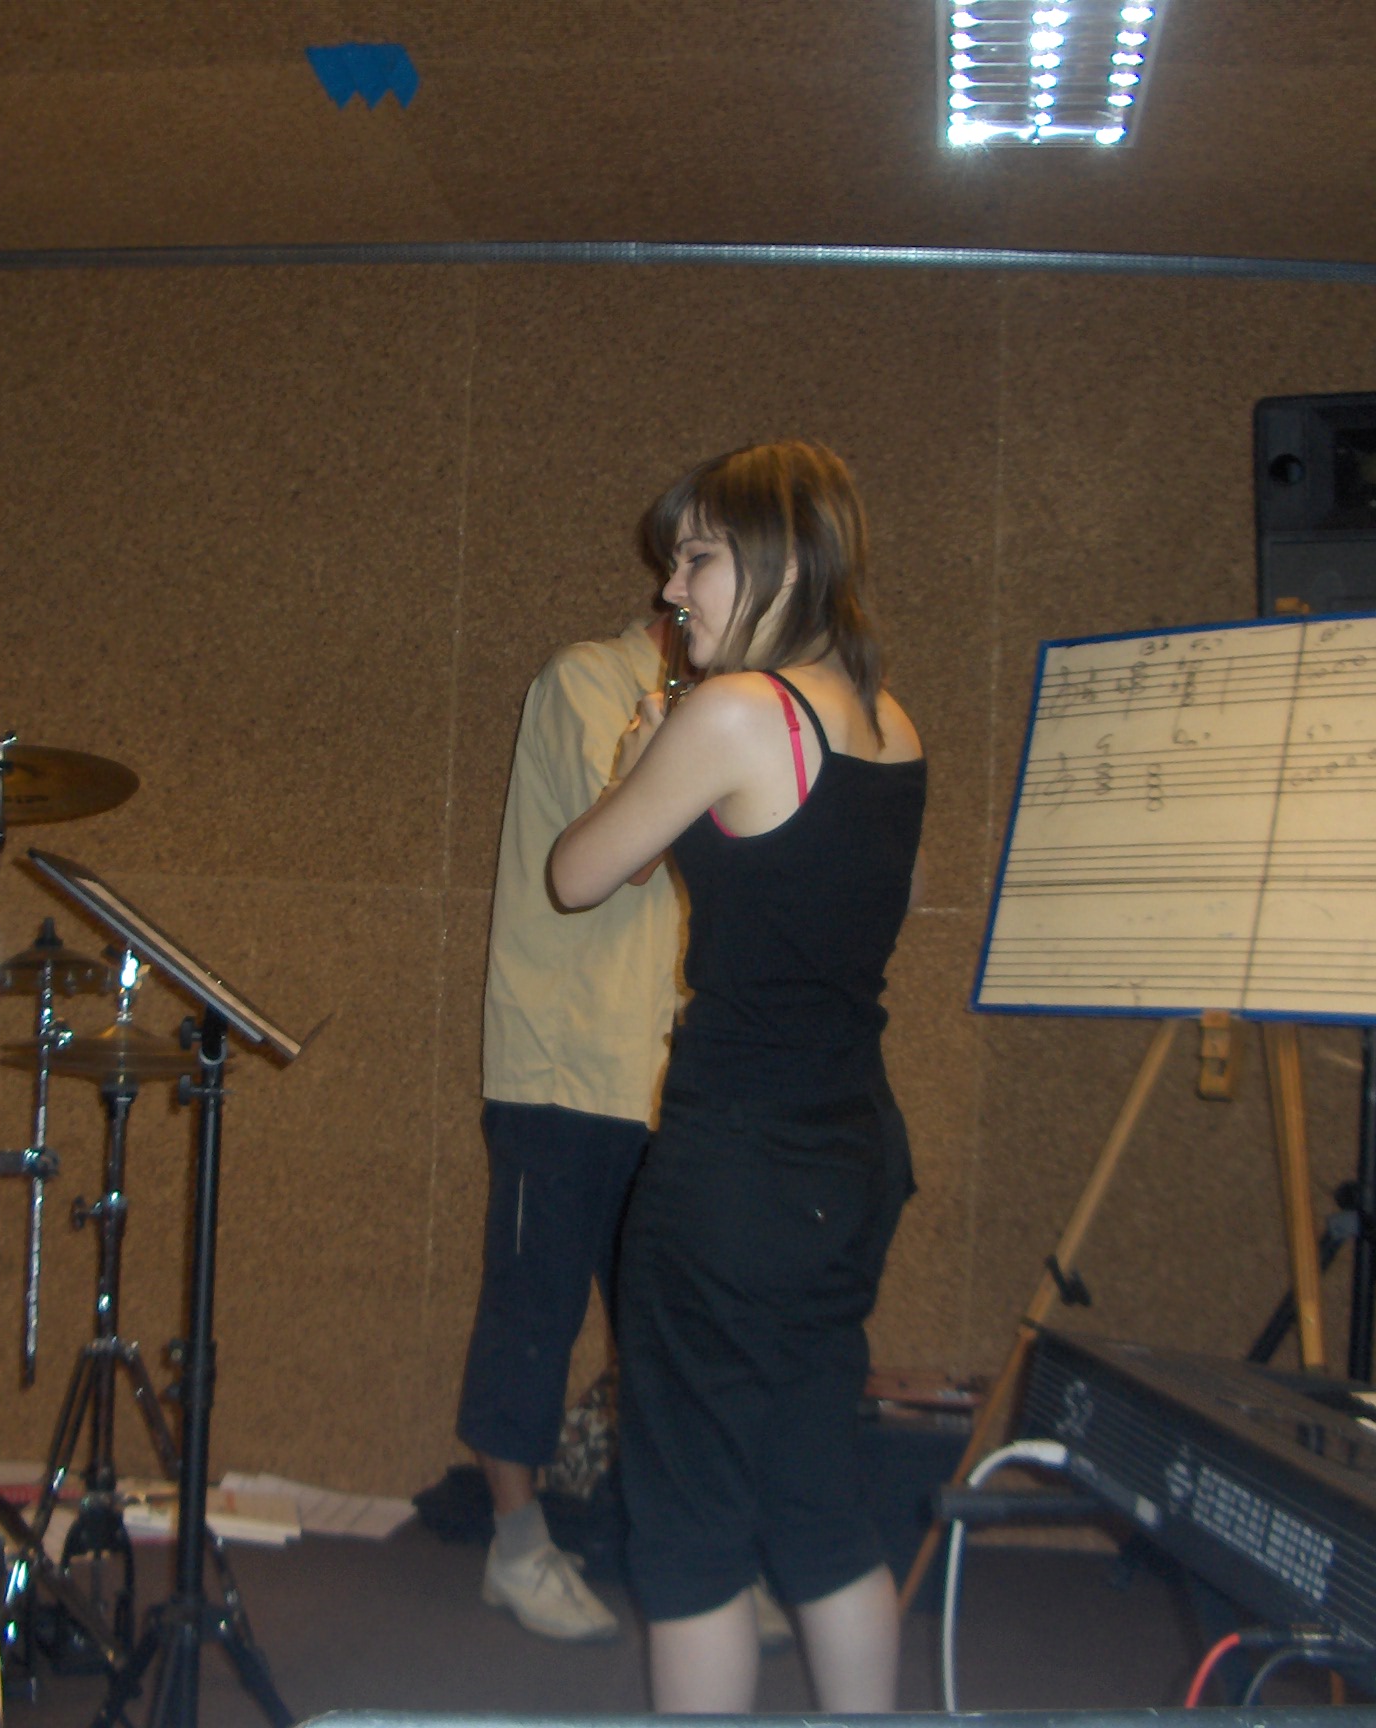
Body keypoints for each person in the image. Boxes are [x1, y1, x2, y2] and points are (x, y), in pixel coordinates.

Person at [550, 440, 926, 1713]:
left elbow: (578, 873)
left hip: (737, 1169)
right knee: (816, 1495)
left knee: (692, 1523)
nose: (671, 592)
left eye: (698, 560)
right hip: (850, 1156)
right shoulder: (889, 721)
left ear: (783, 562)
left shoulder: (734, 713)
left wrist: (642, 758)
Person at [456, 600, 685, 1641]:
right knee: (531, 1316)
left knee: (670, 1331)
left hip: (658, 1071)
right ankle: (516, 1548)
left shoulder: (711, 709)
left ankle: (690, 1549)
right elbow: (626, 850)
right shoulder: (587, 682)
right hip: (559, 1064)